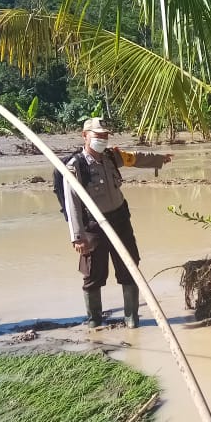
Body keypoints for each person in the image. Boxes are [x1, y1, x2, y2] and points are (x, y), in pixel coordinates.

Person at [64, 118, 172, 327]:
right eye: (97, 135)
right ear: (85, 136)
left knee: (130, 267)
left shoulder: (112, 157)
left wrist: (160, 159)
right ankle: (94, 321)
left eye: (105, 135)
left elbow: (136, 158)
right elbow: (72, 204)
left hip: (120, 220)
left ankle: (132, 319)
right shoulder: (75, 166)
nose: (102, 139)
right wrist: (78, 236)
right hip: (94, 226)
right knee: (93, 274)